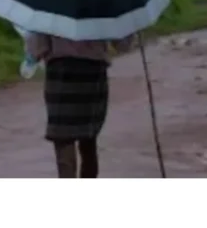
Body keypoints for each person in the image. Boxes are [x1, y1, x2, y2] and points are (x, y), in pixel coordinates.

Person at [24, 30, 138, 178]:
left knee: (63, 137)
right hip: (93, 73)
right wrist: (132, 30)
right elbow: (122, 44)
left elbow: (38, 46)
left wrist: (31, 57)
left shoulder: (53, 7)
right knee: (88, 140)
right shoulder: (101, 6)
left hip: (61, 73)